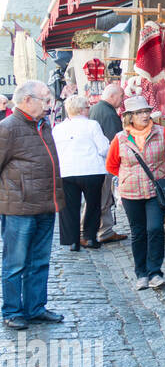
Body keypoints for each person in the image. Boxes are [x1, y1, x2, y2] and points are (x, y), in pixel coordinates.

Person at [0, 80, 64, 329]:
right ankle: (12, 311)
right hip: (19, 209)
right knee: (15, 263)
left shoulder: (43, 124)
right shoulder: (8, 128)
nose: (49, 105)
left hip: (46, 205)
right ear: (27, 100)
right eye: (45, 100)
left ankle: (35, 307)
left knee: (40, 261)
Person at [105, 96, 165, 290]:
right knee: (138, 232)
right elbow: (112, 165)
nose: (145, 115)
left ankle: (155, 272)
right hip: (131, 193)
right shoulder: (120, 138)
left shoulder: (161, 132)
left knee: (155, 229)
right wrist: (127, 177)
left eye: (147, 111)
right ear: (129, 116)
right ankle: (141, 273)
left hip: (154, 191)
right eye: (139, 112)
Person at [52, 95, 109, 251]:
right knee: (93, 205)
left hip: (67, 171)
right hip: (91, 169)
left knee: (69, 207)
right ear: (82, 109)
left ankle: (72, 241)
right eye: (87, 107)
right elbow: (104, 147)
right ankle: (90, 237)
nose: (89, 110)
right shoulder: (92, 125)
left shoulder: (58, 128)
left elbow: (54, 152)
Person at [89, 83, 127, 243]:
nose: (122, 100)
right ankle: (101, 231)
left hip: (97, 162)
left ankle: (105, 229)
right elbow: (115, 141)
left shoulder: (96, 108)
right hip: (105, 163)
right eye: (121, 96)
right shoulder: (109, 114)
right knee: (103, 198)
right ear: (112, 96)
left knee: (102, 198)